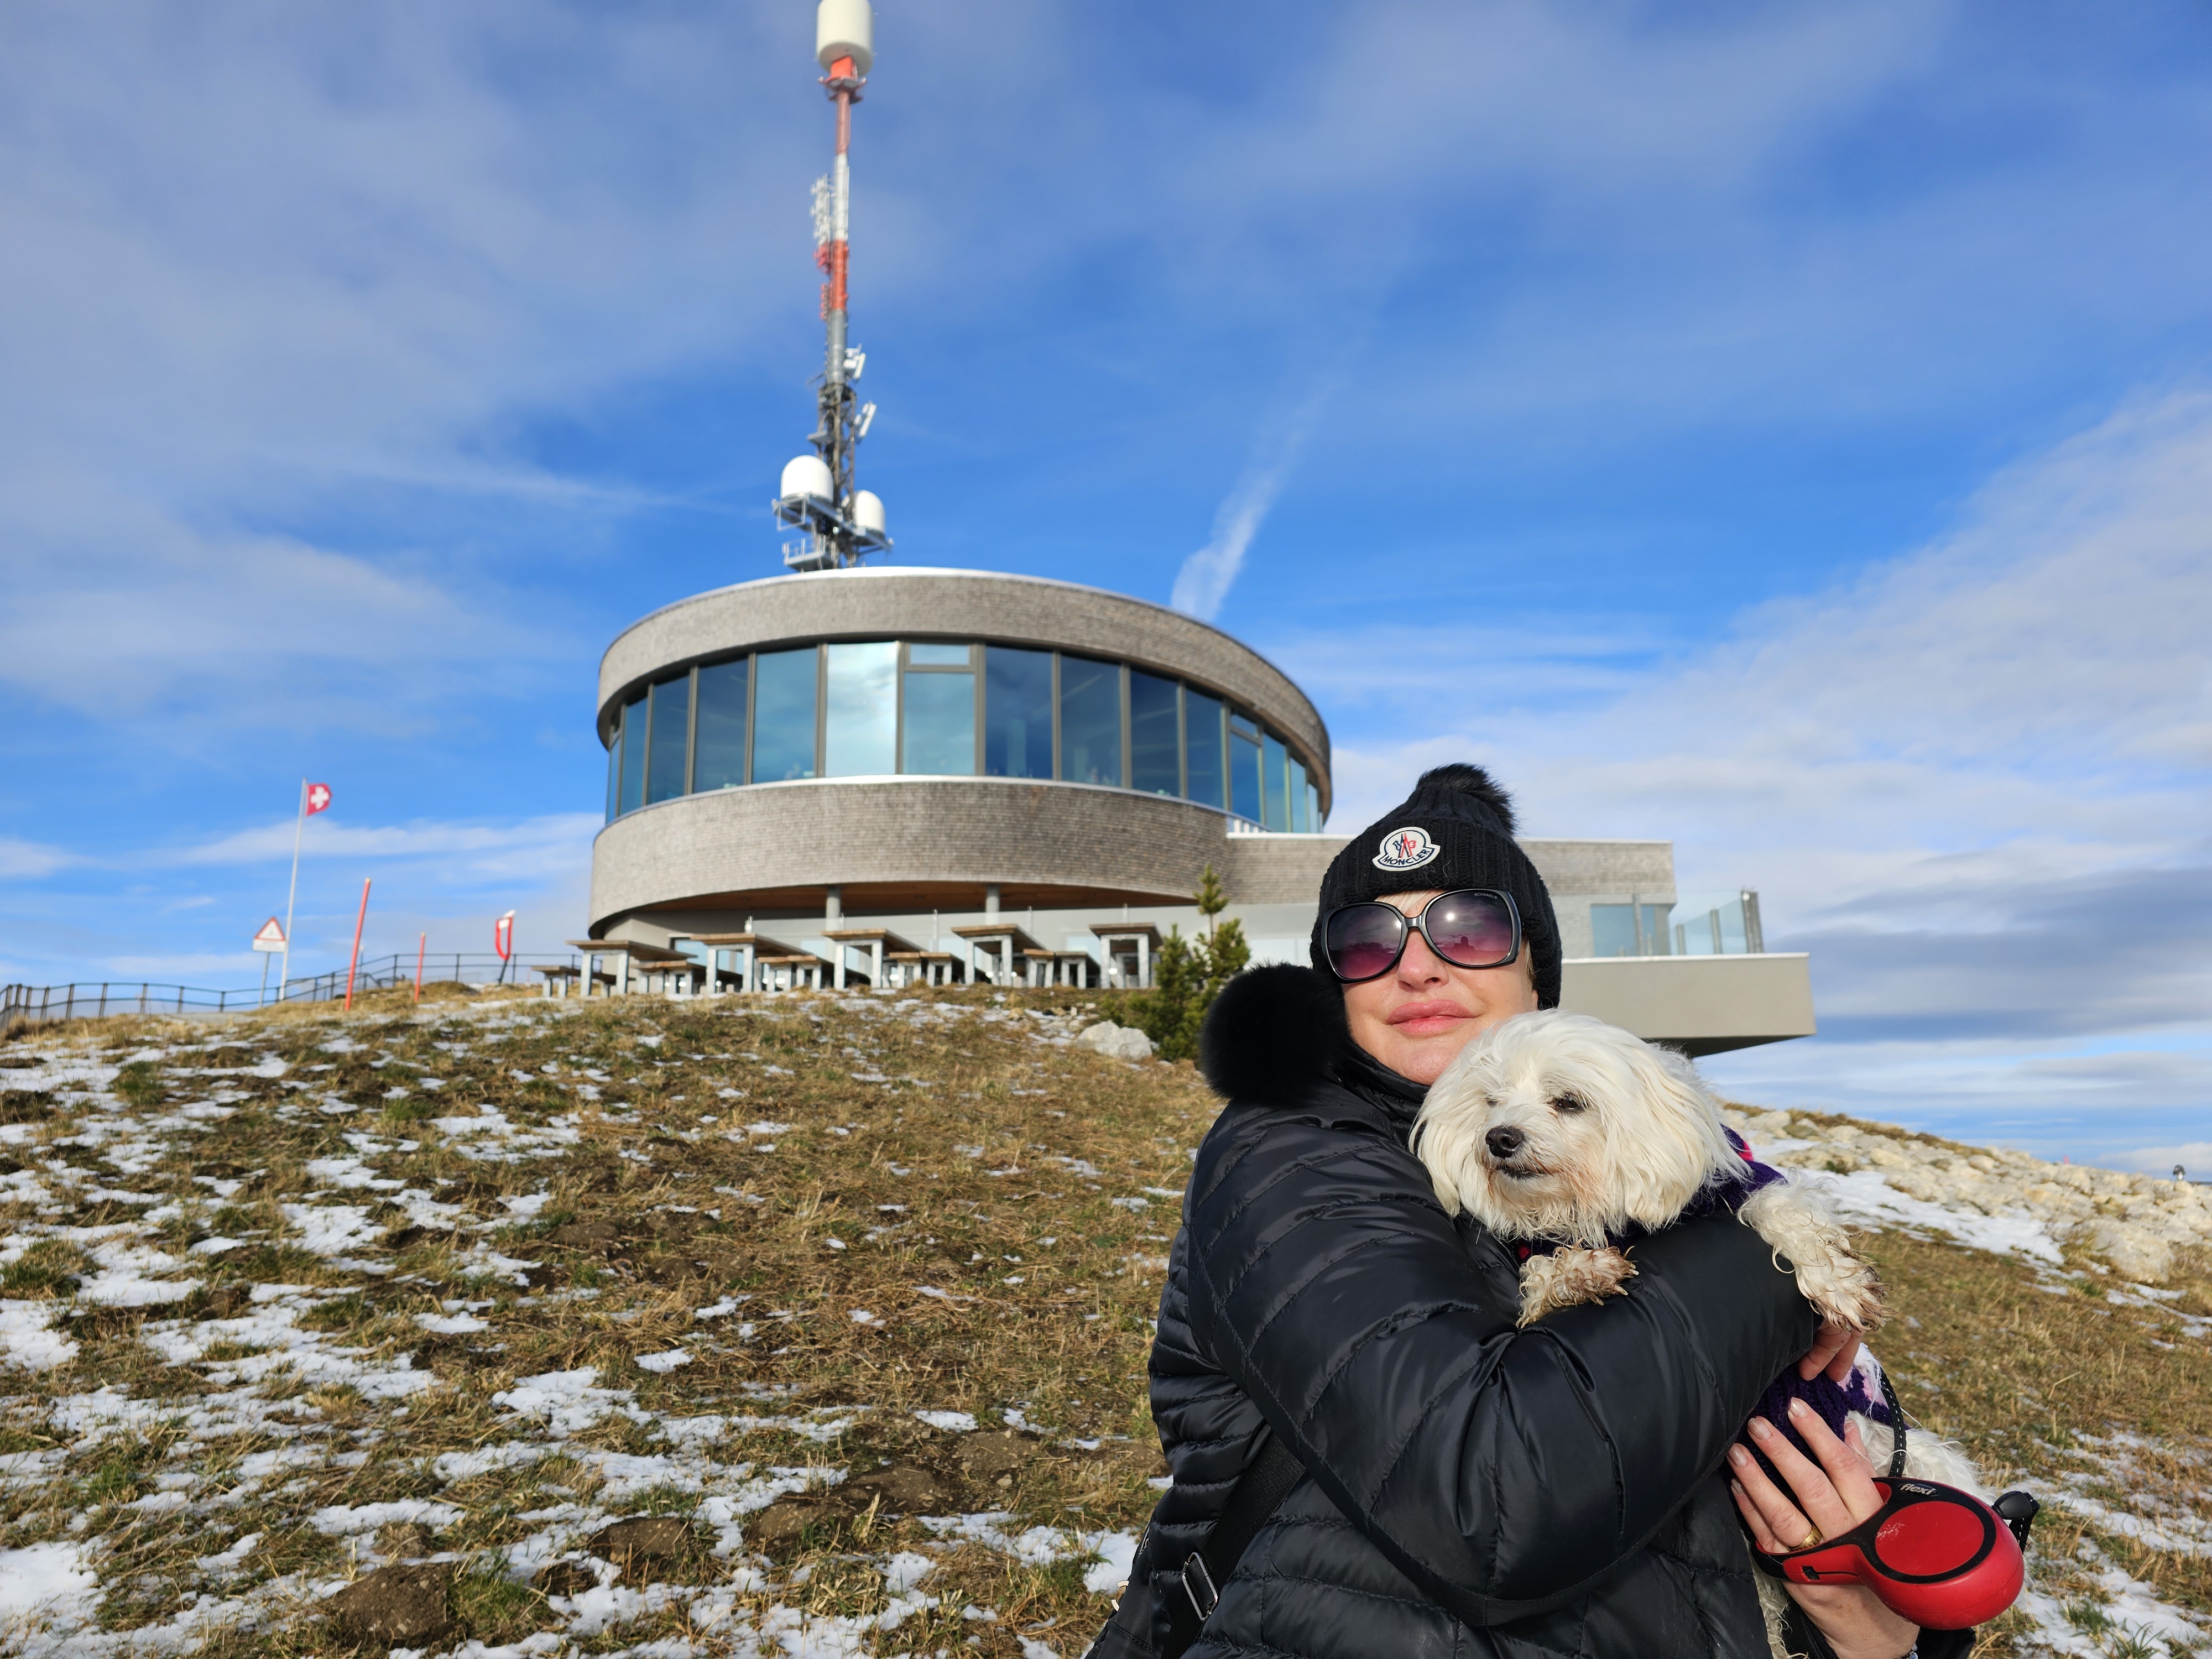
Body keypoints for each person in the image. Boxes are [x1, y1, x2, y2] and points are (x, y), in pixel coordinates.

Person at [1086, 764, 1964, 1659]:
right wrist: (1766, 1262)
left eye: (1469, 928)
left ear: (1535, 976)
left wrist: (1870, 1632)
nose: (1418, 964)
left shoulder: (1636, 1152)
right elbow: (1496, 1505)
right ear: (1334, 985)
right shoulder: (1293, 1152)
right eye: (1366, 939)